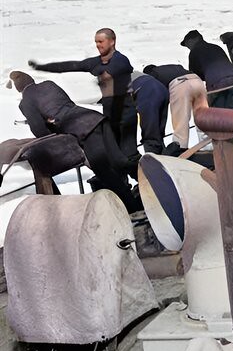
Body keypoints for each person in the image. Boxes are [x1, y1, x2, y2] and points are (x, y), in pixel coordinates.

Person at [10, 71, 139, 212]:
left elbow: (39, 130)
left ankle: (133, 209)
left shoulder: (26, 101)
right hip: (96, 118)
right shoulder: (49, 84)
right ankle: (152, 184)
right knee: (120, 161)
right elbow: (66, 104)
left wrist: (54, 128)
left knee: (104, 172)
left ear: (18, 88)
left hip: (83, 129)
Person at [29, 27, 138, 164]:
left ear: (112, 42)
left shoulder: (121, 59)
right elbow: (70, 66)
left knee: (130, 153)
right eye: (96, 42)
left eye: (101, 41)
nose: (98, 45)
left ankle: (143, 181)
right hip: (109, 112)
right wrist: (41, 67)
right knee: (113, 154)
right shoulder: (96, 62)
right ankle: (123, 184)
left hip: (125, 112)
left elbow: (114, 70)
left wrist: (102, 74)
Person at [143, 63, 207, 151]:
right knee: (203, 116)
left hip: (180, 84)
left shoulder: (152, 75)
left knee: (181, 122)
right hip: (197, 80)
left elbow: (158, 99)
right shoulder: (173, 67)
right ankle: (209, 146)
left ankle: (180, 150)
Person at [180, 30, 233, 110]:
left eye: (187, 44)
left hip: (215, 81)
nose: (188, 47)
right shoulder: (215, 46)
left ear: (192, 40)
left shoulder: (194, 52)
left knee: (217, 112)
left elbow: (194, 75)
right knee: (232, 108)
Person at [129, 72, 169, 155]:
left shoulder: (114, 81)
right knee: (158, 129)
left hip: (146, 91)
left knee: (149, 130)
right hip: (162, 89)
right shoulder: (133, 73)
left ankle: (153, 159)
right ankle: (162, 155)